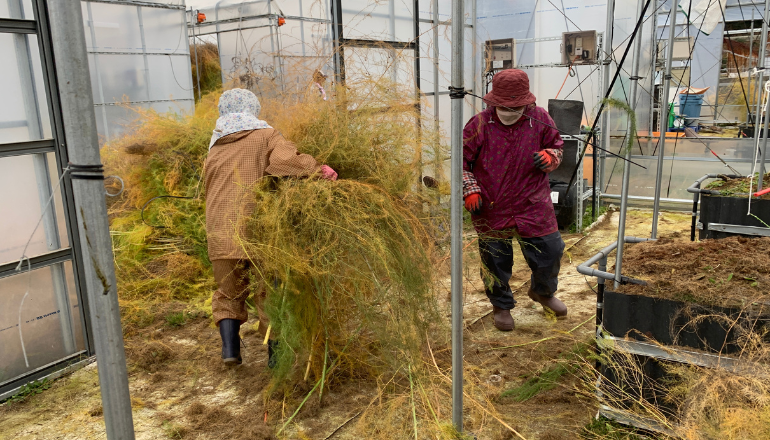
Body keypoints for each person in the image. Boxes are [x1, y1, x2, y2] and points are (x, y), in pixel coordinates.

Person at [205, 88, 337, 366]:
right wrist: (317, 169)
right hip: (258, 230)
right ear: (252, 109)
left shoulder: (214, 148)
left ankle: (230, 351)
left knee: (229, 291)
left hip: (219, 232)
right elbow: (284, 162)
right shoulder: (265, 135)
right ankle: (275, 361)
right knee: (270, 294)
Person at [462, 69, 567, 332]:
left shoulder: (540, 118)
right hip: (491, 204)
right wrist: (470, 189)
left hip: (532, 202)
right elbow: (462, 164)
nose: (511, 110)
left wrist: (550, 158)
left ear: (527, 102)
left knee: (550, 251)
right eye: (505, 106)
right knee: (495, 259)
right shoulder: (478, 125)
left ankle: (542, 292)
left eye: (517, 106)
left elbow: (557, 147)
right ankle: (501, 305)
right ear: (492, 101)